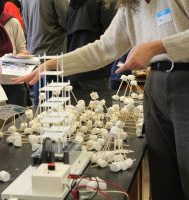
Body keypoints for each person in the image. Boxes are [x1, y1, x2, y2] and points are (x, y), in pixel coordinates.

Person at [14, 1, 189, 199]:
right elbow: (103, 48)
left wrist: (158, 47)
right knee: (164, 177)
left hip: (184, 81)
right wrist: (55, 64)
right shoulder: (131, 7)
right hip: (156, 85)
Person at [21, 0, 69, 105]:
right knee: (56, 106)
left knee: (41, 104)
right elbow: (67, 20)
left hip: (36, 53)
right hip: (53, 53)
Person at [65, 0, 117, 90]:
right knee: (100, 103)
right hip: (95, 70)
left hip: (73, 70)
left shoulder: (73, 4)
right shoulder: (105, 3)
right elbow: (114, 33)